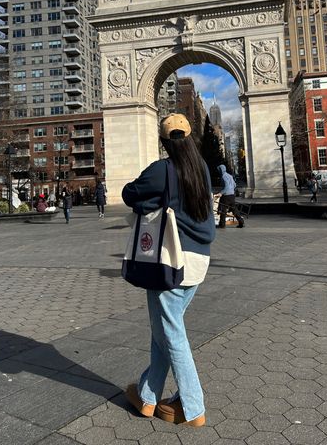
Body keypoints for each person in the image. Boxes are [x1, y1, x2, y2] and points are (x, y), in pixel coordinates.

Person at [122, 113, 215, 427]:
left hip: (168, 261)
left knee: (172, 334)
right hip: (199, 261)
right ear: (189, 138)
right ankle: (148, 397)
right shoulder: (201, 168)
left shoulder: (162, 169)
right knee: (164, 329)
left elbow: (129, 193)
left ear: (164, 142)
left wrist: (147, 205)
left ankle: (193, 407)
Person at [215, 164, 244, 228]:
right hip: (232, 195)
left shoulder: (223, 176)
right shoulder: (230, 176)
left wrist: (221, 193)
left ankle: (222, 225)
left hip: (226, 196)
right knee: (234, 209)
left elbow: (227, 186)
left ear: (220, 170)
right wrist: (231, 191)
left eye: (219, 170)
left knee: (223, 210)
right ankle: (241, 221)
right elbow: (234, 185)